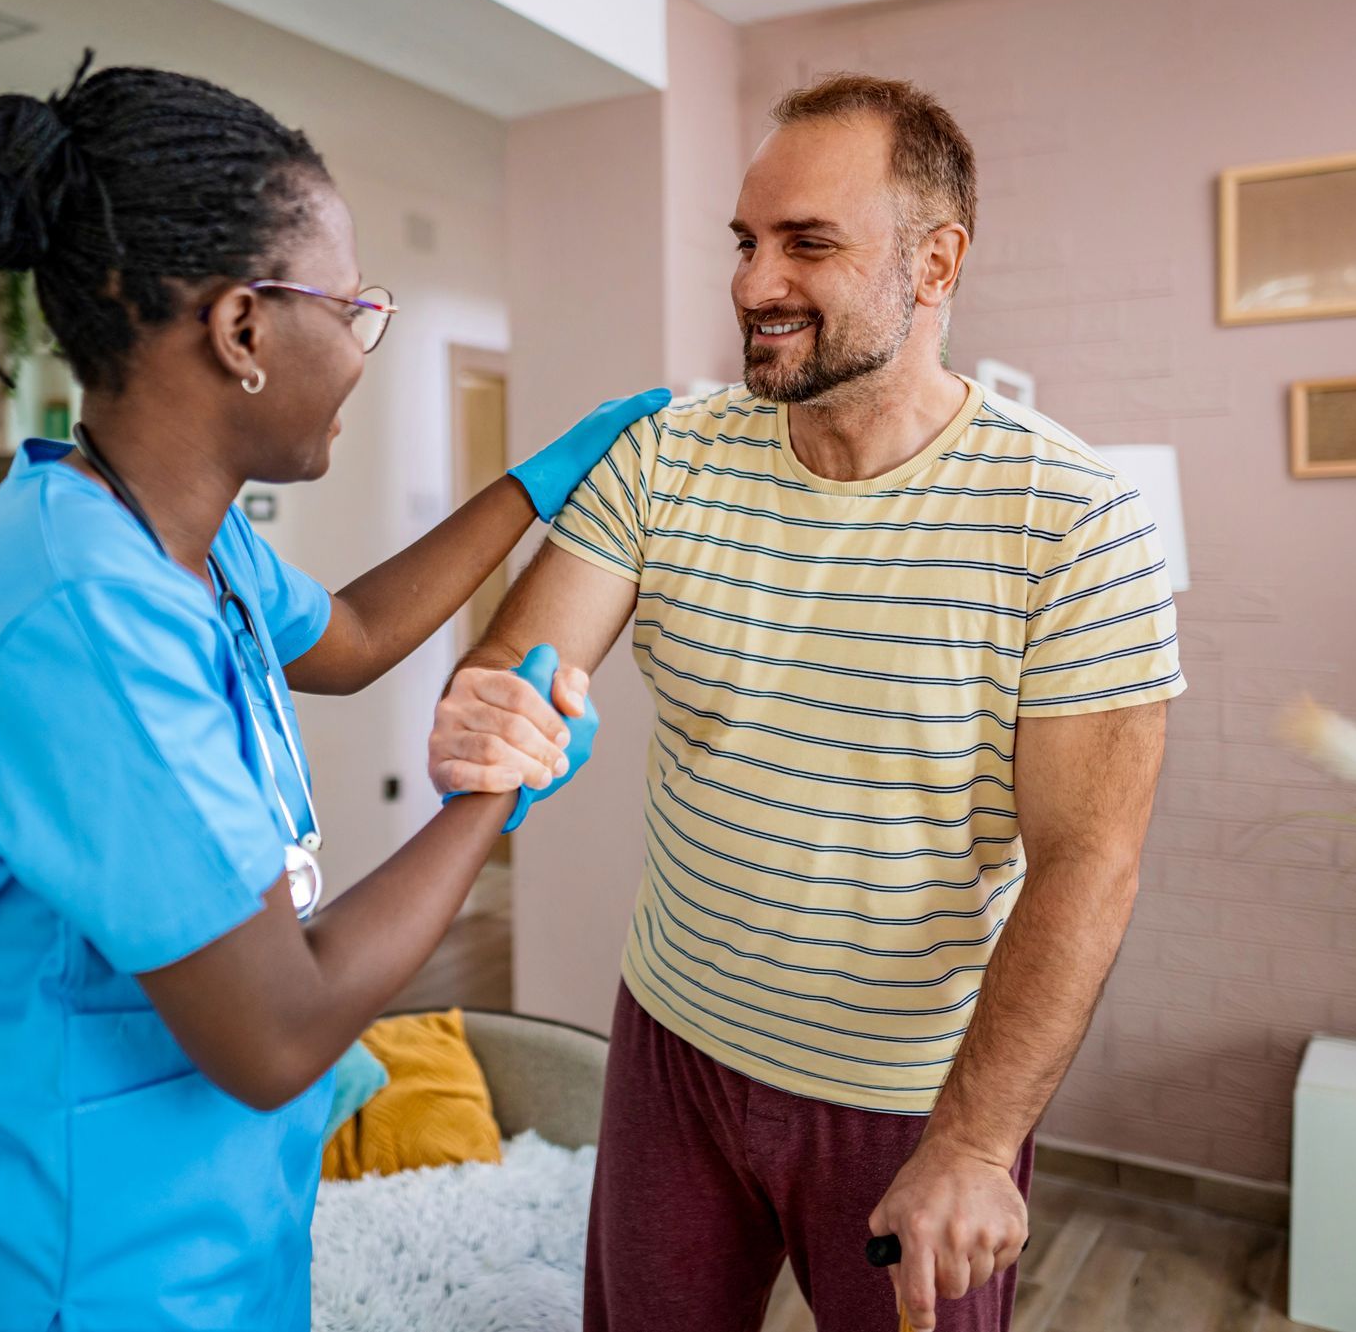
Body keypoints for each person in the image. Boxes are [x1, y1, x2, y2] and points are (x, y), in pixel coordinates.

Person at [0, 54, 662, 1332]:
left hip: (208, 1248)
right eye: (356, 310)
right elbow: (276, 1029)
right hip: (65, 1276)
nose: (367, 347)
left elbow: (358, 632)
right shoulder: (84, 615)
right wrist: (493, 799)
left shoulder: (178, 533)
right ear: (244, 328)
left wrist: (537, 485)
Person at [432, 74, 1183, 1332]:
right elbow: (522, 665)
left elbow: (1088, 863)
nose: (753, 282)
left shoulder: (1075, 519)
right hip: (671, 1041)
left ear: (935, 262)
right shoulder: (667, 454)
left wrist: (978, 1141)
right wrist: (489, 711)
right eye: (746, 240)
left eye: (808, 243)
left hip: (913, 1096)